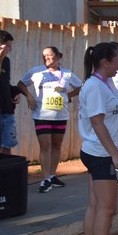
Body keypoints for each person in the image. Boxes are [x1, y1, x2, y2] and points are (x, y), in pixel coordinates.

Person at [78, 41, 118, 235]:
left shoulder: (103, 82)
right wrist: (115, 154)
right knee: (106, 210)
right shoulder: (95, 87)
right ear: (104, 62)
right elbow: (98, 123)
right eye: (117, 59)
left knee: (95, 206)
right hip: (101, 154)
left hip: (96, 152)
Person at [17, 46, 83, 192]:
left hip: (60, 115)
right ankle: (45, 178)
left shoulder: (66, 74)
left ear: (59, 56)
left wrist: (69, 97)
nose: (46, 58)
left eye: (49, 55)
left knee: (56, 146)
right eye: (44, 56)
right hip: (42, 115)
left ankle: (53, 175)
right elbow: (21, 84)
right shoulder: (36, 71)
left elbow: (81, 86)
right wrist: (29, 96)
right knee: (45, 146)